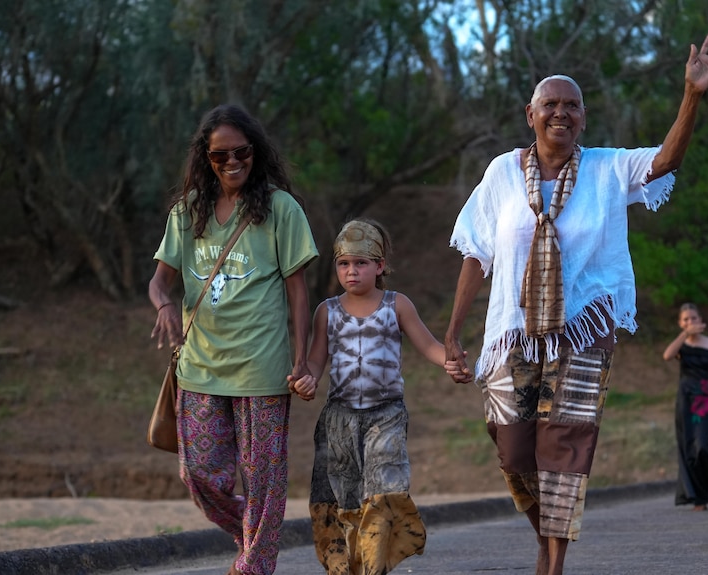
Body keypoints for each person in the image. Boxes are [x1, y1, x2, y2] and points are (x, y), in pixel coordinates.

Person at [443, 32, 708, 575]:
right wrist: (453, 334)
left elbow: (666, 159)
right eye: (549, 105)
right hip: (513, 329)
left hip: (583, 329)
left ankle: (553, 561)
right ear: (529, 114)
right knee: (513, 451)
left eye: (571, 105)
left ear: (584, 116)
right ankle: (546, 535)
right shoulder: (502, 173)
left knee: (566, 448)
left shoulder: (605, 167)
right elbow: (475, 254)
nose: (560, 113)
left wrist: (691, 96)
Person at [148, 104, 319, 575]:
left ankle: (253, 564)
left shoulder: (280, 209)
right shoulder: (187, 214)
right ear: (205, 158)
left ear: (255, 152)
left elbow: (298, 292)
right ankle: (257, 533)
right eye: (219, 155)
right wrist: (163, 304)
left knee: (264, 480)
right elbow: (159, 282)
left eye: (240, 152)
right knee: (198, 473)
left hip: (261, 368)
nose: (231, 162)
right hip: (199, 367)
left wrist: (301, 360)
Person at [289, 219, 470, 575]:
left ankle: (375, 568)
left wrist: (451, 363)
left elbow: (429, 345)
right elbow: (315, 360)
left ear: (380, 266)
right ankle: (351, 566)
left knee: (385, 491)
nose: (352, 271)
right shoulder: (327, 311)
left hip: (386, 415)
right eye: (344, 264)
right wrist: (305, 380)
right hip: (339, 420)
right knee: (346, 498)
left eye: (361, 263)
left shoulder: (396, 305)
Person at [662, 303, 708, 510]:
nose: (690, 322)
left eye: (693, 318)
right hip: (685, 400)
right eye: (685, 319)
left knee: (701, 444)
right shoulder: (682, 345)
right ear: (680, 323)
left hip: (705, 400)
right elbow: (667, 356)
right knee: (688, 446)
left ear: (701, 320)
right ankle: (701, 497)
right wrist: (684, 334)